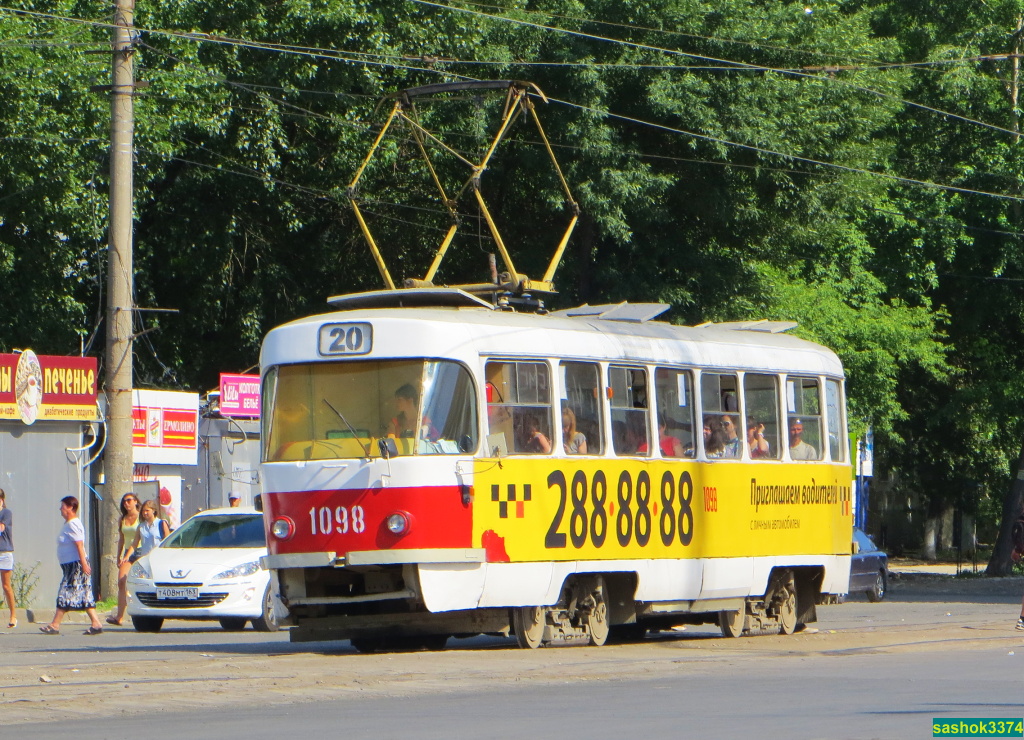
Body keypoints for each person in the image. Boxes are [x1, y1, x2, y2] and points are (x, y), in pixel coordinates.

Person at [40, 496, 103, 635]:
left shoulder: (73, 524)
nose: (60, 509)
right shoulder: (68, 524)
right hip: (71, 565)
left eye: (63, 506)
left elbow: (79, 545)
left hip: (76, 565)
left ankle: (55, 624)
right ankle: (96, 623)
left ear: (71, 507)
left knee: (65, 592)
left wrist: (84, 564)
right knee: (85, 593)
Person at [107, 492, 140, 626]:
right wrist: (119, 556)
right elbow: (121, 539)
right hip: (128, 553)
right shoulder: (123, 519)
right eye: (124, 501)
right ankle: (119, 616)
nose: (126, 503)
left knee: (140, 583)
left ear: (135, 501)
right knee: (122, 582)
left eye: (129, 500)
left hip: (140, 551)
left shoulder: (141, 517)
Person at [0, 489, 15, 629]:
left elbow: (1, 528)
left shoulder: (6, 513)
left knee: (6, 585)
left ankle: (13, 615)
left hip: (4, 552)